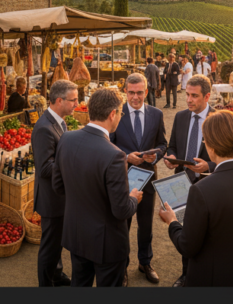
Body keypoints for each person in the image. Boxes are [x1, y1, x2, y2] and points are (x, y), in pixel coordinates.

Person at [158, 110, 233, 287]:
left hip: (213, 275)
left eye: (205, 140)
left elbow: (187, 246)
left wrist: (172, 221)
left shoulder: (201, 190)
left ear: (211, 146)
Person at [53, 88, 144, 287]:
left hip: (76, 234)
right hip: (106, 243)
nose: (120, 117)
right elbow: (121, 210)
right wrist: (133, 198)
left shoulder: (66, 139)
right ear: (112, 114)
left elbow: (58, 186)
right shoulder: (115, 154)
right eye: (120, 113)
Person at [109, 73, 167, 285]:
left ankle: (145, 262)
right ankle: (121, 267)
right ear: (125, 91)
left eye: (140, 92)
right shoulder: (115, 114)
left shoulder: (156, 114)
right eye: (131, 92)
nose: (135, 97)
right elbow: (109, 144)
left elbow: (163, 143)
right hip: (123, 179)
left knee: (146, 225)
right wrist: (126, 156)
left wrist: (157, 155)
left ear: (147, 91)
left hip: (148, 179)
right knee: (123, 225)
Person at [163, 74, 214, 287]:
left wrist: (209, 167)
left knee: (208, 234)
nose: (189, 100)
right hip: (181, 183)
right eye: (187, 95)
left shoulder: (218, 119)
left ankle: (206, 275)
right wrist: (172, 157)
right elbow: (172, 145)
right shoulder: (181, 117)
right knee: (185, 231)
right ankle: (186, 275)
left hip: (208, 185)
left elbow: (232, 156)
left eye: (194, 96)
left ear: (207, 96)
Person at [31, 80, 78, 287]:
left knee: (57, 243)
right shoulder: (43, 128)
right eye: (73, 100)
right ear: (59, 100)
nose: (77, 103)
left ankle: (56, 274)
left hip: (60, 197)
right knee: (49, 248)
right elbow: (44, 168)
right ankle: (46, 284)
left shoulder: (60, 120)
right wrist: (73, 164)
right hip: (51, 200)